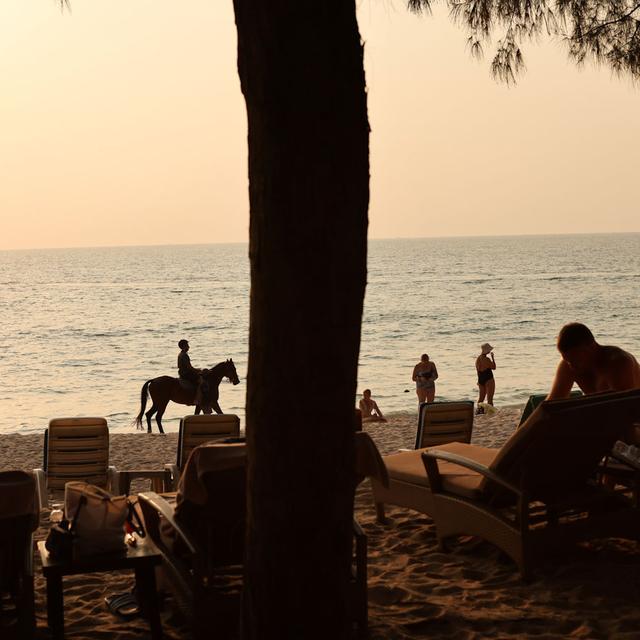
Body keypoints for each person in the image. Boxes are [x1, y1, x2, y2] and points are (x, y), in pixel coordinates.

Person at [547, 323, 640, 400]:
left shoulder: (619, 363)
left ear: (591, 348)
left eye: (577, 361)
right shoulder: (568, 364)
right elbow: (551, 405)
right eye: (568, 361)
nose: (572, 367)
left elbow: (625, 407)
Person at [177, 339, 208, 406]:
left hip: (183, 373)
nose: (188, 347)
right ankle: (197, 399)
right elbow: (189, 368)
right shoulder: (184, 355)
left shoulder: (181, 354)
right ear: (183, 346)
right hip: (186, 373)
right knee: (201, 381)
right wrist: (198, 370)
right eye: (187, 345)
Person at [476, 343, 496, 413]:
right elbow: (494, 367)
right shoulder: (487, 359)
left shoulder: (478, 359)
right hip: (488, 378)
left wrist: (479, 381)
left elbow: (478, 370)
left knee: (481, 399)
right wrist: (493, 358)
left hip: (481, 379)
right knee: (489, 399)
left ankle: (478, 411)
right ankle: (491, 412)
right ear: (487, 351)